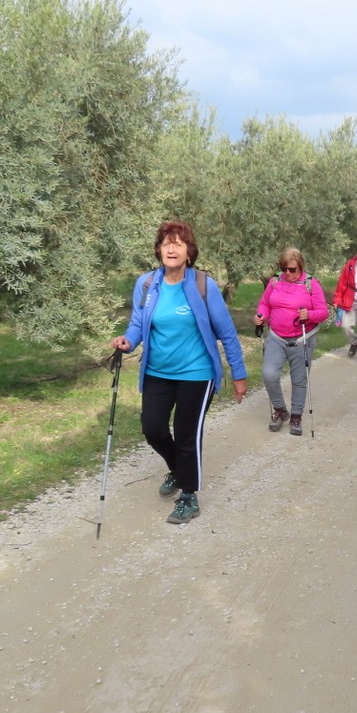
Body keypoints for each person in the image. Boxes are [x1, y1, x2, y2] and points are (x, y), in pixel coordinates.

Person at [110, 220, 248, 524]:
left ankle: (189, 495)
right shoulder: (147, 284)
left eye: (178, 243)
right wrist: (127, 341)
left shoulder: (202, 285)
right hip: (158, 372)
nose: (171, 248)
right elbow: (137, 325)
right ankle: (179, 468)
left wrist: (238, 375)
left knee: (187, 434)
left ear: (189, 252)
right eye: (166, 242)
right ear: (159, 249)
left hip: (196, 373)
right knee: (153, 429)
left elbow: (227, 333)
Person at [253, 248, 329, 436]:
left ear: (300, 267)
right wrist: (261, 315)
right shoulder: (275, 281)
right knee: (269, 373)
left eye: (292, 269)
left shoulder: (311, 284)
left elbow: (323, 312)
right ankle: (280, 410)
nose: (287, 273)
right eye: (284, 268)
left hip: (302, 337)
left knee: (299, 379)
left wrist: (309, 314)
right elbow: (266, 303)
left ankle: (296, 416)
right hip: (277, 336)